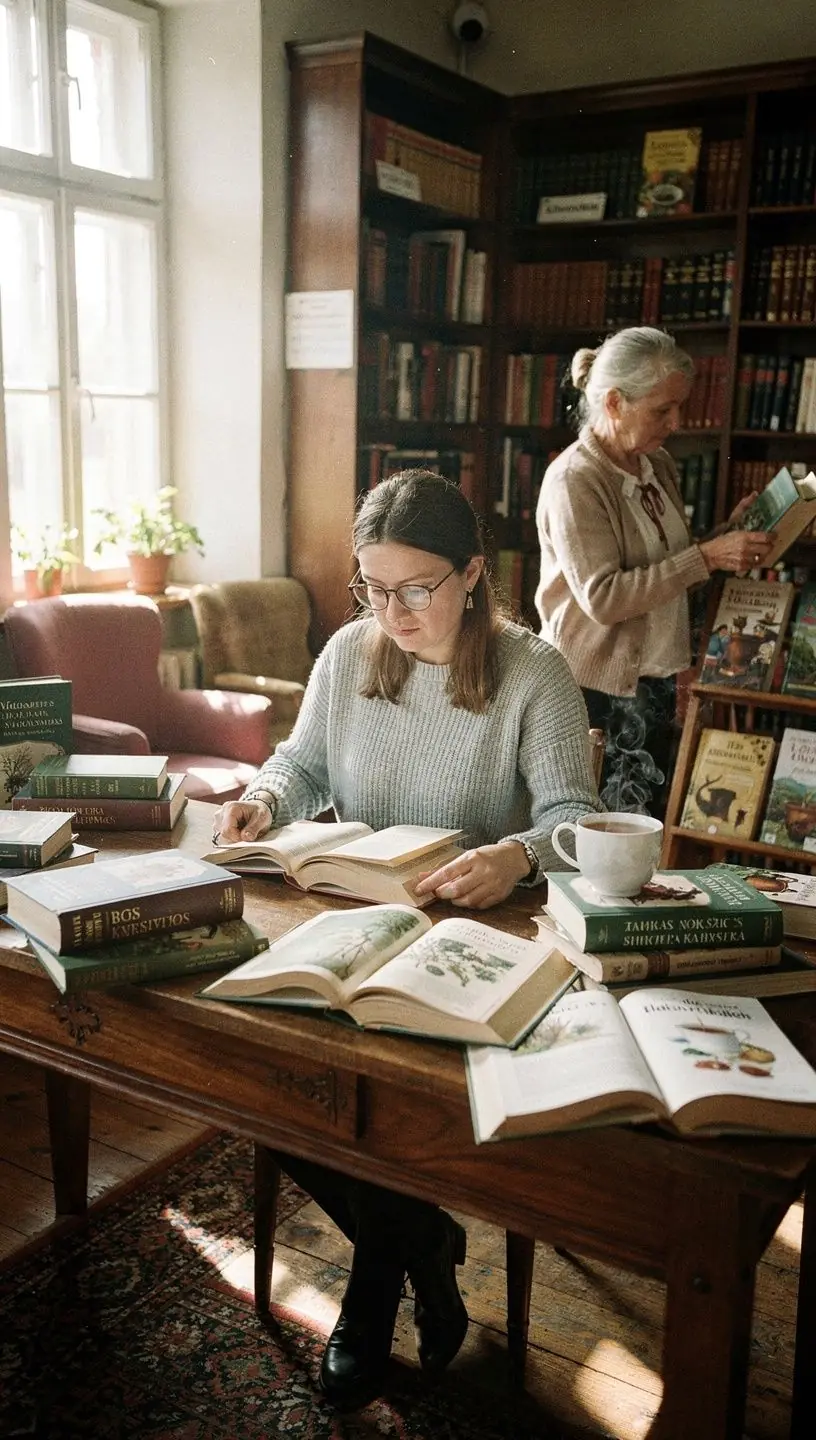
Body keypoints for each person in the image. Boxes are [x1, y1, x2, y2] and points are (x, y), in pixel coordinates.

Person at [213, 468, 601, 1408]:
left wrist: (515, 856)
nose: (392, 610)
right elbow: (301, 763)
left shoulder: (531, 671)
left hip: (473, 948)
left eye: (415, 587)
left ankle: (377, 1284)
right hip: (346, 926)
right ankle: (422, 1243)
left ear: (472, 573)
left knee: (377, 1100)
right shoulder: (350, 654)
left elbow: (574, 815)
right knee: (250, 1067)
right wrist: (264, 799)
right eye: (373, 586)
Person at [535, 326, 777, 814]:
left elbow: (669, 563)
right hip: (596, 689)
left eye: (679, 407)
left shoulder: (656, 464)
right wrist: (708, 556)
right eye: (662, 410)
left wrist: (729, 533)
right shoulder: (575, 479)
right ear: (614, 402)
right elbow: (604, 599)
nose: (676, 421)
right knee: (596, 833)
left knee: (640, 828)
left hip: (656, 680)